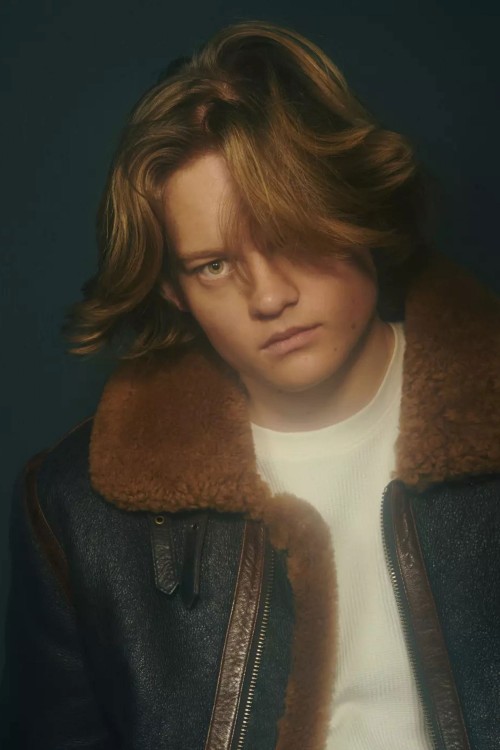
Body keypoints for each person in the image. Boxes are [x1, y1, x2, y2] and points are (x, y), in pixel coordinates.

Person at [2, 18, 499, 750]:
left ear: (357, 210)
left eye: (289, 235)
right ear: (172, 291)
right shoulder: (74, 510)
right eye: (213, 266)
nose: (268, 297)